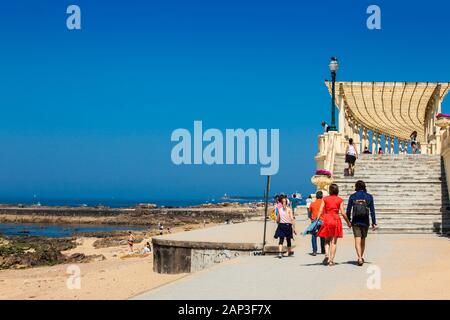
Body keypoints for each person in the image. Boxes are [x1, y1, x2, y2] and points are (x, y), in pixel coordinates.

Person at [317, 184, 352, 266]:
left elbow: (320, 210)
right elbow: (343, 213)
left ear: (330, 190)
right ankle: (331, 261)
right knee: (334, 242)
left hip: (327, 219)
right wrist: (348, 222)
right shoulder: (340, 200)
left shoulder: (325, 199)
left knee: (326, 241)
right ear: (337, 190)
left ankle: (326, 255)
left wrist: (317, 219)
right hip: (336, 220)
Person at [346, 180, 377, 266]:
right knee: (363, 240)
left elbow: (348, 210)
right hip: (365, 221)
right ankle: (361, 257)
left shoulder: (352, 196)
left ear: (356, 187)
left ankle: (359, 257)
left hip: (355, 221)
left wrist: (349, 220)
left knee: (357, 239)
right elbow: (372, 211)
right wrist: (374, 222)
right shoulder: (369, 197)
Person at [308, 191, 326, 256]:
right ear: (322, 196)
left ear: (316, 196)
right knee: (323, 236)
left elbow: (309, 213)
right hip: (322, 221)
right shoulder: (324, 204)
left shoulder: (312, 203)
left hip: (314, 222)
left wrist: (311, 219)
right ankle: (323, 250)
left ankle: (314, 251)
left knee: (314, 236)